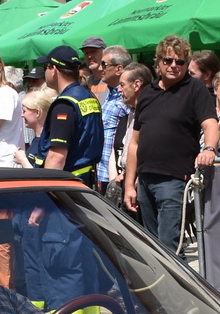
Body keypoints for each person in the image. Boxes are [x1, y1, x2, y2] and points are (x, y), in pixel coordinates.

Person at [123, 35, 218, 249]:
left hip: (174, 181)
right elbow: (134, 143)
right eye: (168, 60)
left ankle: (181, 284)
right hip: (145, 180)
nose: (173, 66)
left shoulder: (195, 89)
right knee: (153, 249)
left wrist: (210, 148)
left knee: (170, 247)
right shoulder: (147, 92)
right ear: (158, 63)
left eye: (180, 62)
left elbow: (210, 124)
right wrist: (129, 185)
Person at [38, 46, 104, 182]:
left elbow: (57, 157)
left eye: (46, 67)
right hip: (85, 179)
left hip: (67, 183)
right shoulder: (88, 96)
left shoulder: (64, 105)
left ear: (54, 70)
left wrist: (48, 190)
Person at [103, 62, 147, 201]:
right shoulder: (126, 117)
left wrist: (131, 176)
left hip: (139, 188)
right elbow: (114, 149)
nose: (119, 90)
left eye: (122, 85)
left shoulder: (149, 117)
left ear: (137, 85)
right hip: (121, 185)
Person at [96, 46, 133, 191]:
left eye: (104, 64)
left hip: (116, 176)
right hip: (103, 173)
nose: (100, 68)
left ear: (119, 69)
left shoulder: (128, 100)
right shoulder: (110, 95)